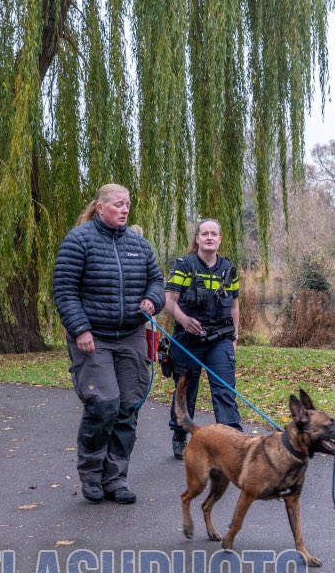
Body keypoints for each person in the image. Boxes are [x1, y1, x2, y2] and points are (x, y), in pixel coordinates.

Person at [53, 184, 165, 504]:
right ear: (100, 208)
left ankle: (115, 478)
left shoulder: (138, 245)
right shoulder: (79, 241)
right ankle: (91, 474)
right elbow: (64, 290)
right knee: (104, 404)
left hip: (130, 336)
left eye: (128, 204)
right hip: (93, 337)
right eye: (118, 205)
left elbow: (157, 282)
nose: (125, 210)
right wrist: (80, 330)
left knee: (128, 407)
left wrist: (151, 300)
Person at [163, 218, 241, 459]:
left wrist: (235, 338)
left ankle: (232, 440)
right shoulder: (184, 266)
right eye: (204, 233)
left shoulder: (229, 269)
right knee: (186, 388)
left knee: (225, 389)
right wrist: (185, 320)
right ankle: (180, 432)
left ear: (219, 239)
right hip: (188, 339)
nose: (209, 237)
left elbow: (235, 306)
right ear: (197, 239)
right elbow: (168, 301)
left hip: (220, 339)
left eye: (214, 234)